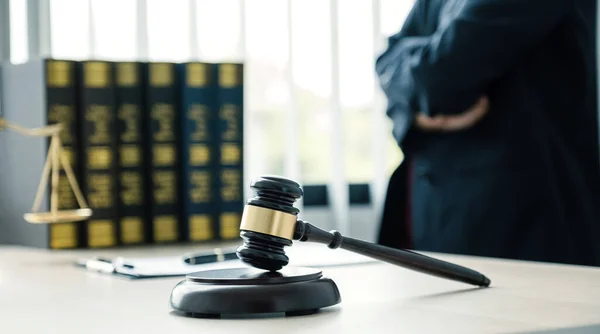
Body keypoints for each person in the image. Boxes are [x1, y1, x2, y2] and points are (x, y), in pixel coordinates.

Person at [375, 0, 600, 267]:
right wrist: (419, 114)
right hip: (441, 222)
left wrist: (413, 94)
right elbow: (386, 62)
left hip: (523, 224)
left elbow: (441, 76)